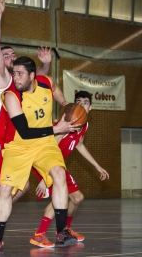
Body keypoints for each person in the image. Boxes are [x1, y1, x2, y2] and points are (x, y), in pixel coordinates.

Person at [0, 0, 53, 243]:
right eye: (6, 55)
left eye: (12, 54)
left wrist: (46, 65)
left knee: (21, 187)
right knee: (6, 189)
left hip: (9, 144)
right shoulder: (1, 80)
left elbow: (36, 81)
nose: (10, 57)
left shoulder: (19, 81)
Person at [29, 90, 110, 248]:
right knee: (61, 197)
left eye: (85, 103)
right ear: (74, 105)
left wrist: (97, 166)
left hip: (58, 165)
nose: (81, 105)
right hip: (45, 163)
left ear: (91, 107)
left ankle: (65, 229)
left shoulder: (83, 124)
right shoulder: (67, 124)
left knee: (77, 198)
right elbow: (49, 148)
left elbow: (79, 145)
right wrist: (47, 178)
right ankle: (39, 234)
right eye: (78, 102)